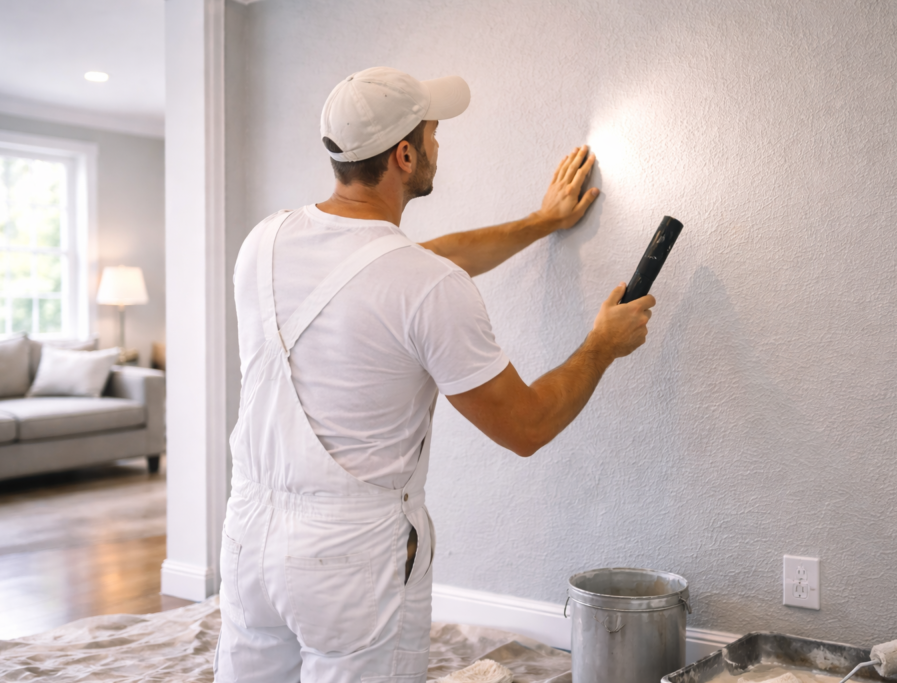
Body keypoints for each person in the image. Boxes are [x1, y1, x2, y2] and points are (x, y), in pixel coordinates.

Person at [215, 66, 656, 683]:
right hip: (348, 555)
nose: (439, 143)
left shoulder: (265, 240)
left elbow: (403, 267)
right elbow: (526, 427)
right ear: (403, 155)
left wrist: (543, 220)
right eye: (432, 133)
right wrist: (601, 345)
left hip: (247, 536)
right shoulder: (424, 286)